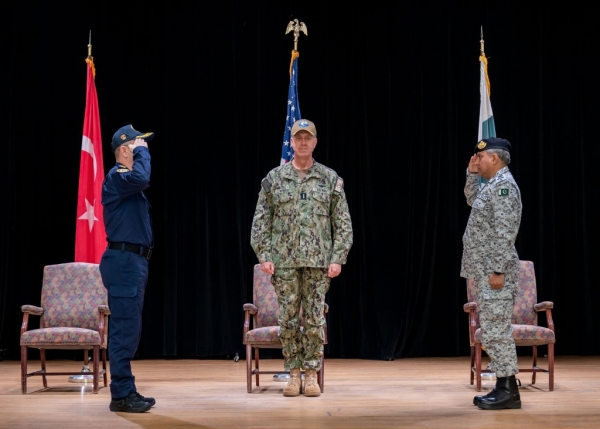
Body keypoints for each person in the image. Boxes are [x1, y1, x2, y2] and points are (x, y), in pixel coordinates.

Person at [250, 119, 353, 397]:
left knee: (314, 318)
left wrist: (338, 257)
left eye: (308, 138)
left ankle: (311, 374)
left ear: (315, 142)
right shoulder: (274, 179)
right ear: (292, 143)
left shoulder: (329, 179)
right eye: (299, 138)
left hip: (318, 263)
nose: (303, 142)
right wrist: (265, 255)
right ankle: (293, 373)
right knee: (287, 319)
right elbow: (261, 221)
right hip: (283, 262)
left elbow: (342, 222)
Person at [460, 137, 523, 410]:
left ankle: (508, 389)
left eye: (480, 158)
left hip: (496, 272)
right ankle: (502, 385)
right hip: (486, 270)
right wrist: (471, 175)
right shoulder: (492, 186)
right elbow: (472, 200)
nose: (477, 160)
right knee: (493, 330)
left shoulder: (504, 187)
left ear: (494, 159)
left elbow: (505, 231)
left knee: (497, 331)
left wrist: (497, 269)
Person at [99, 124, 155, 413]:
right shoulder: (118, 176)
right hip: (123, 263)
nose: (144, 147)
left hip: (132, 262)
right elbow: (143, 177)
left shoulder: (125, 181)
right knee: (123, 331)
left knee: (129, 329)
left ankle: (127, 389)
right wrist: (142, 155)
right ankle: (120, 395)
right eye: (137, 144)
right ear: (124, 149)